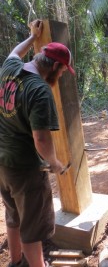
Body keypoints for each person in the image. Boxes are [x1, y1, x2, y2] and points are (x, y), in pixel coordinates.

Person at [0, 19, 75, 267]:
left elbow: (14, 51)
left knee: (13, 216)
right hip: (24, 168)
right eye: (63, 70)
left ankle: (15, 261)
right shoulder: (39, 90)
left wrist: (32, 37)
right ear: (54, 65)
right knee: (32, 227)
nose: (62, 74)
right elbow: (41, 138)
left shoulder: (10, 67)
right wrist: (54, 163)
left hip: (3, 163)